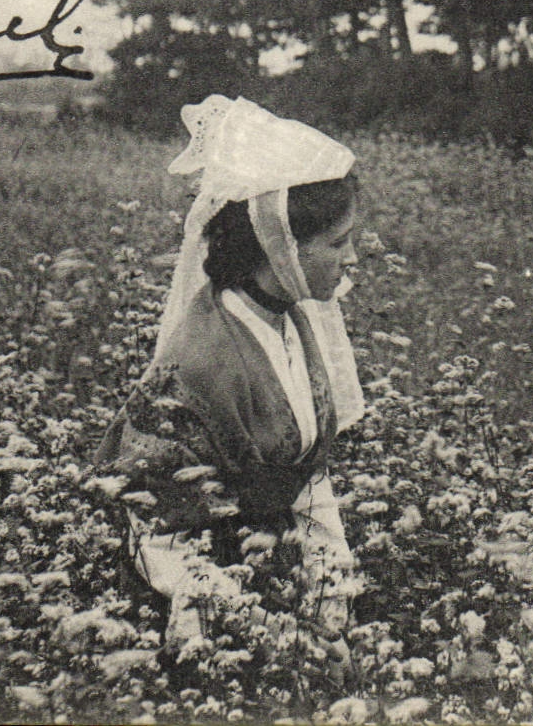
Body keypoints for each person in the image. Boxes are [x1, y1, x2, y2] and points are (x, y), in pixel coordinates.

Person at [94, 95, 365, 658]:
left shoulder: (291, 321)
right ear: (281, 247)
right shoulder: (199, 361)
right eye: (338, 243)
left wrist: (332, 589)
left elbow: (308, 480)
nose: (353, 258)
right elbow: (157, 528)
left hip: (278, 578)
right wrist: (262, 627)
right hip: (207, 605)